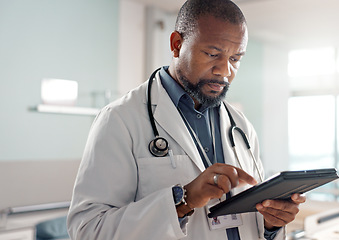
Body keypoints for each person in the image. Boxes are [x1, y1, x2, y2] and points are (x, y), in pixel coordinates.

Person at [66, 0, 306, 239]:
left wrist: (271, 225)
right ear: (176, 45)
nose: (224, 70)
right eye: (213, 54)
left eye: (235, 59)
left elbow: (250, 226)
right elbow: (88, 230)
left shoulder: (241, 127)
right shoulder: (120, 120)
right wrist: (184, 199)